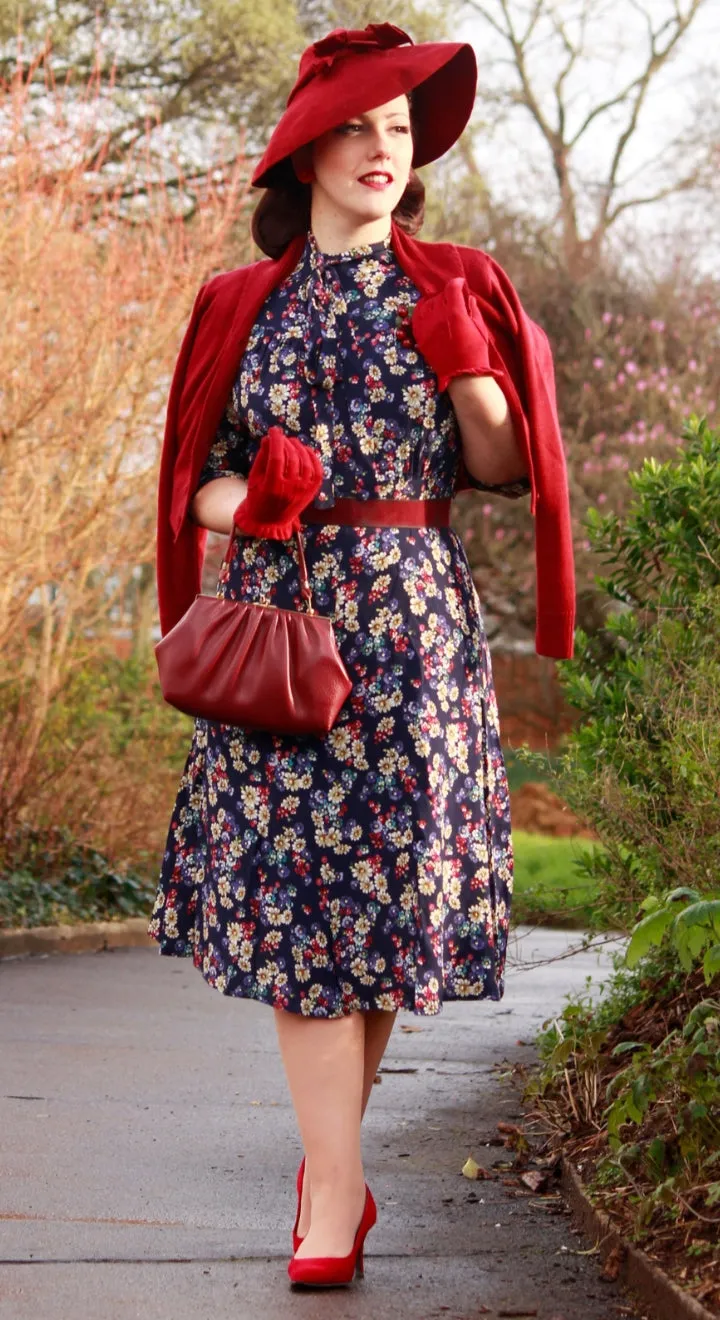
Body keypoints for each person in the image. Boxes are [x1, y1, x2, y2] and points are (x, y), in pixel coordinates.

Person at [148, 22, 575, 1290]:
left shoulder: (458, 281)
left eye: (400, 130)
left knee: (382, 910)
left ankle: (328, 1163)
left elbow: (503, 469)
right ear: (310, 149)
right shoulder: (239, 303)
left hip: (414, 628)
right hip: (284, 626)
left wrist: (466, 369)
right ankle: (334, 1187)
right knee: (303, 906)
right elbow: (195, 479)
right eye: (360, 127)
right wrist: (256, 506)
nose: (384, 150)